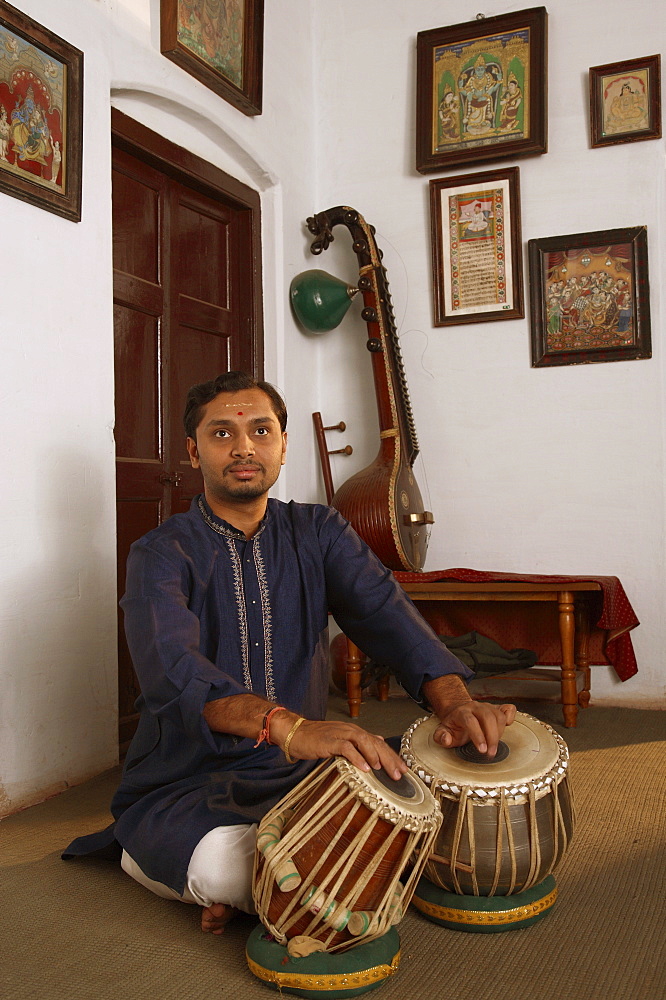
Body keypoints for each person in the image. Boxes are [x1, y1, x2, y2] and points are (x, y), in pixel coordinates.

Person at [63, 371, 515, 936]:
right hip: (189, 782)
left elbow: (387, 615)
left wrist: (452, 701)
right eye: (222, 433)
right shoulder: (161, 552)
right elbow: (174, 673)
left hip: (307, 772)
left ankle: (284, 886)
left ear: (282, 444)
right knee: (223, 863)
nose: (244, 446)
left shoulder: (318, 530)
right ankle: (181, 863)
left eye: (260, 430)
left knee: (459, 773)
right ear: (193, 450)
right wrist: (289, 726)